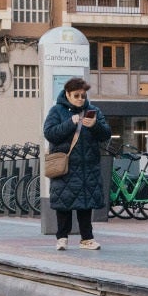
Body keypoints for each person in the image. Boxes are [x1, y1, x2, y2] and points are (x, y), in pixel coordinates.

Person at [43, 77, 111, 250]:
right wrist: (69, 123)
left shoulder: (93, 110)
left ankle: (87, 238)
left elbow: (106, 134)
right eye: (76, 95)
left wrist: (95, 125)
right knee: (64, 202)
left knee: (86, 203)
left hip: (88, 166)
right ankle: (62, 238)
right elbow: (50, 133)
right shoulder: (57, 111)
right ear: (67, 94)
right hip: (66, 166)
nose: (80, 98)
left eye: (83, 95)